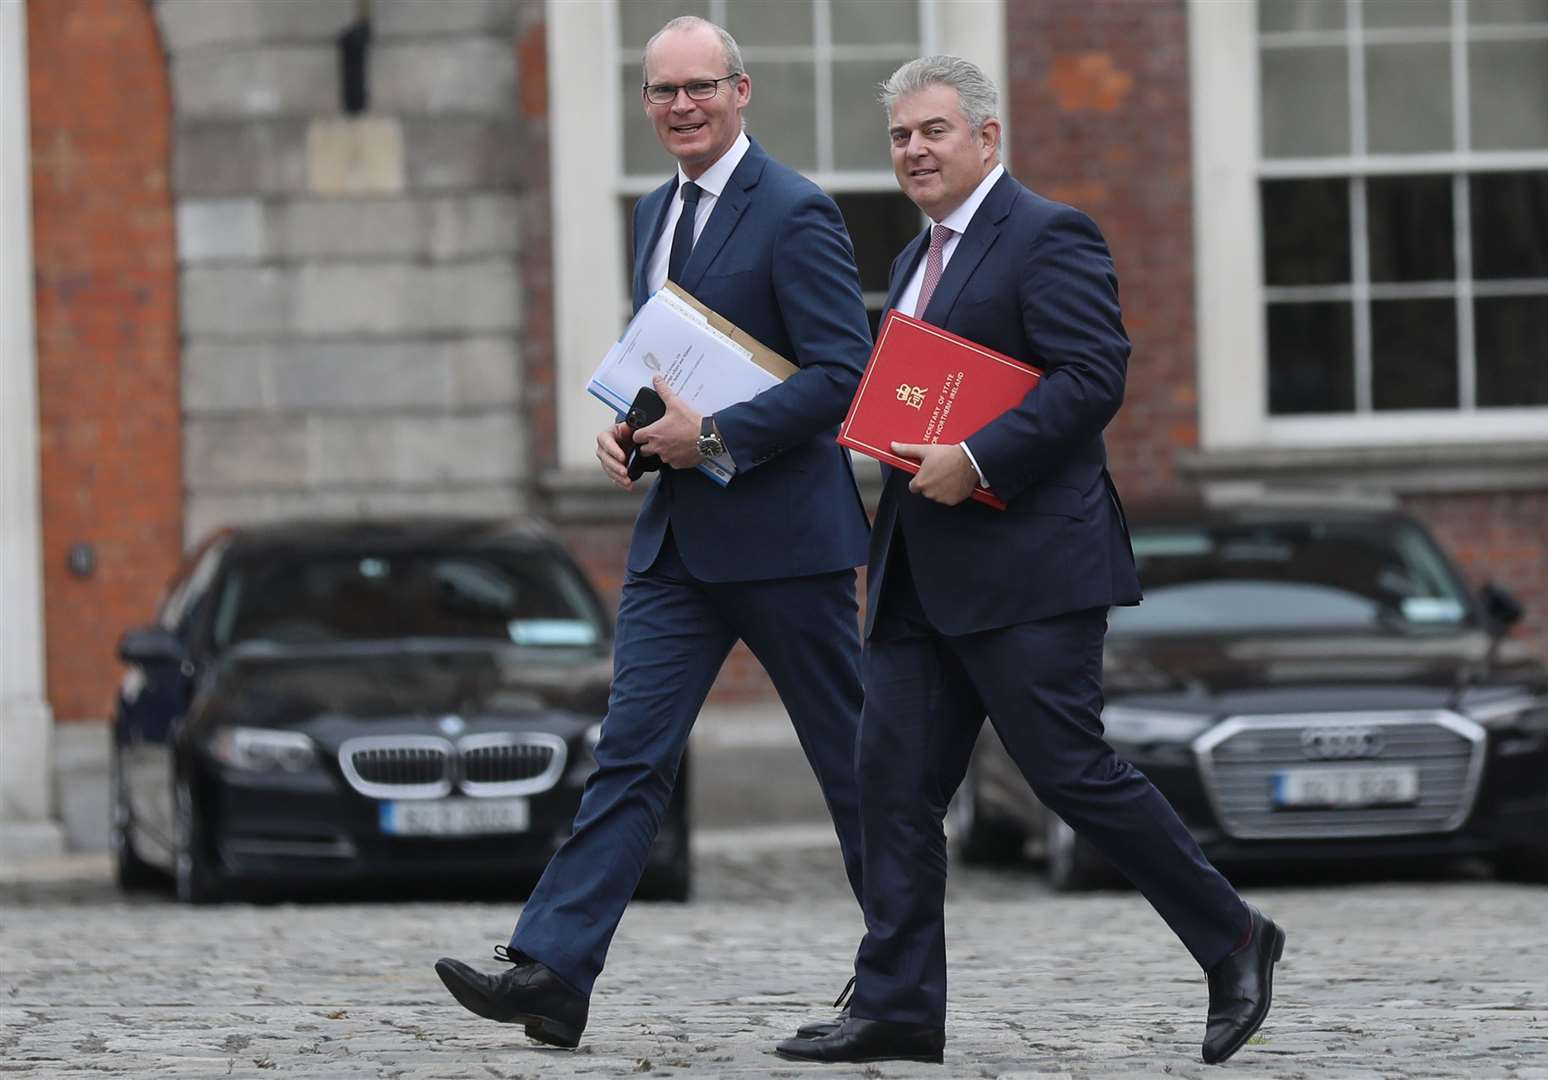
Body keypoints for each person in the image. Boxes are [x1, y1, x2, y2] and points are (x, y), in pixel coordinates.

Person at [776, 56, 1283, 1067]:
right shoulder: (917, 257)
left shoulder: (1049, 233)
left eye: (934, 131)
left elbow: (1096, 375)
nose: (915, 151)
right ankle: (900, 1005)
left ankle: (1233, 937)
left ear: (987, 138)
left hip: (1031, 567)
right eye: (901, 137)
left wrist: (979, 457)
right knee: (893, 788)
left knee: (1069, 771)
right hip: (920, 567)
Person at [434, 16, 874, 1049]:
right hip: (680, 542)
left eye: (700, 88)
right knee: (627, 755)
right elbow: (676, 369)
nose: (681, 106)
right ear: (646, 103)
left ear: (742, 91)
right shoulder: (652, 214)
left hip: (790, 545)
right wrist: (636, 437)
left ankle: (902, 980)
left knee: (855, 769)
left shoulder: (797, 210)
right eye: (662, 91)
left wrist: (713, 433)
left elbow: (842, 378)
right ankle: (552, 970)